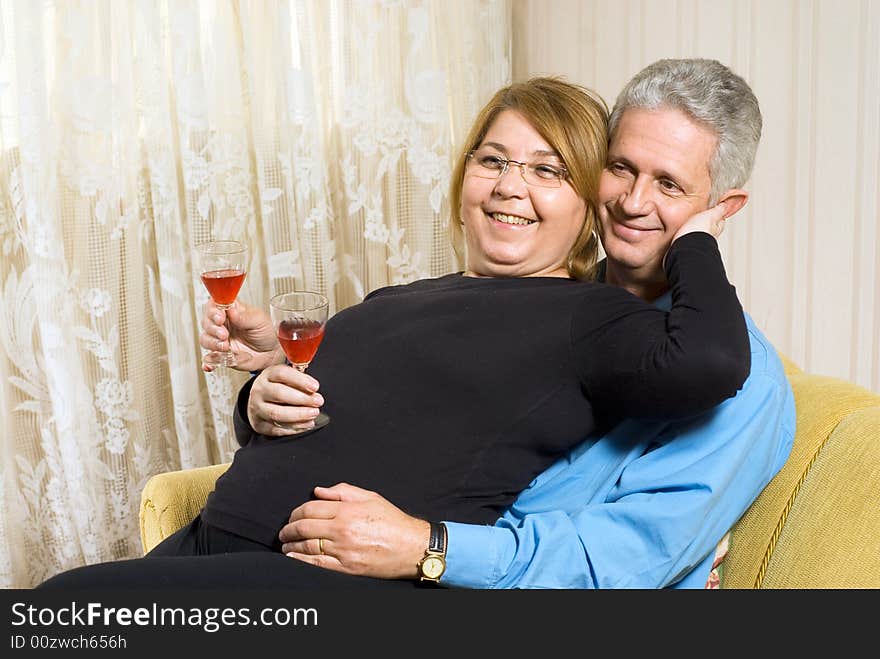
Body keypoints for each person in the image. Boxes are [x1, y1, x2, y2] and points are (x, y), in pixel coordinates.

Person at [38, 72, 748, 590]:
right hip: (212, 543)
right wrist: (257, 394)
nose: (509, 185)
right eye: (493, 160)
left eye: (547, 170)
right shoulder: (400, 296)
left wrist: (695, 236)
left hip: (317, 577)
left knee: (60, 615)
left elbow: (712, 360)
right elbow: (322, 417)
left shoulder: (593, 318)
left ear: (589, 206)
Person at [211, 59, 795, 589]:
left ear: (722, 209)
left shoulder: (747, 385)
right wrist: (266, 389)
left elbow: (626, 561)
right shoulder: (531, 298)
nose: (633, 202)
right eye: (620, 168)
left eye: (669, 185)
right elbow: (401, 421)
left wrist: (428, 547)